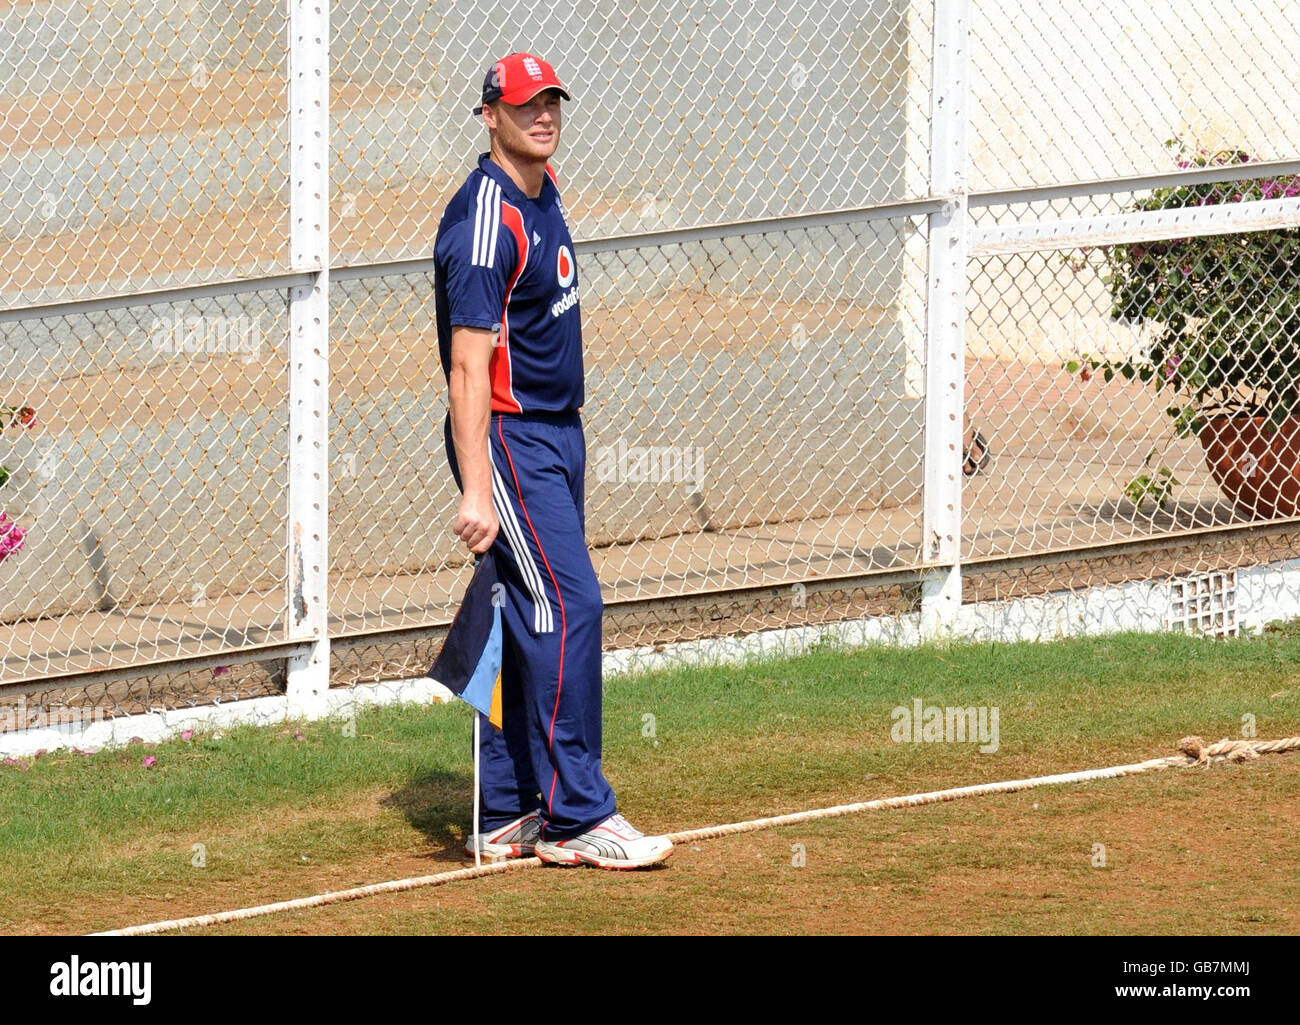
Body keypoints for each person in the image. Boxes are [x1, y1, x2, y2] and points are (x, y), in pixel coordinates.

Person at [432, 52, 673, 870]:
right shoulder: (482, 222)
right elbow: (468, 366)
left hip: (556, 433)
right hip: (509, 437)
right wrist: (476, 485)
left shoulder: (544, 189)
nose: (544, 114)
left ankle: (507, 810)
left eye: (553, 102)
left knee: (521, 611)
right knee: (571, 605)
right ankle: (578, 813)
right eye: (527, 103)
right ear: (490, 115)